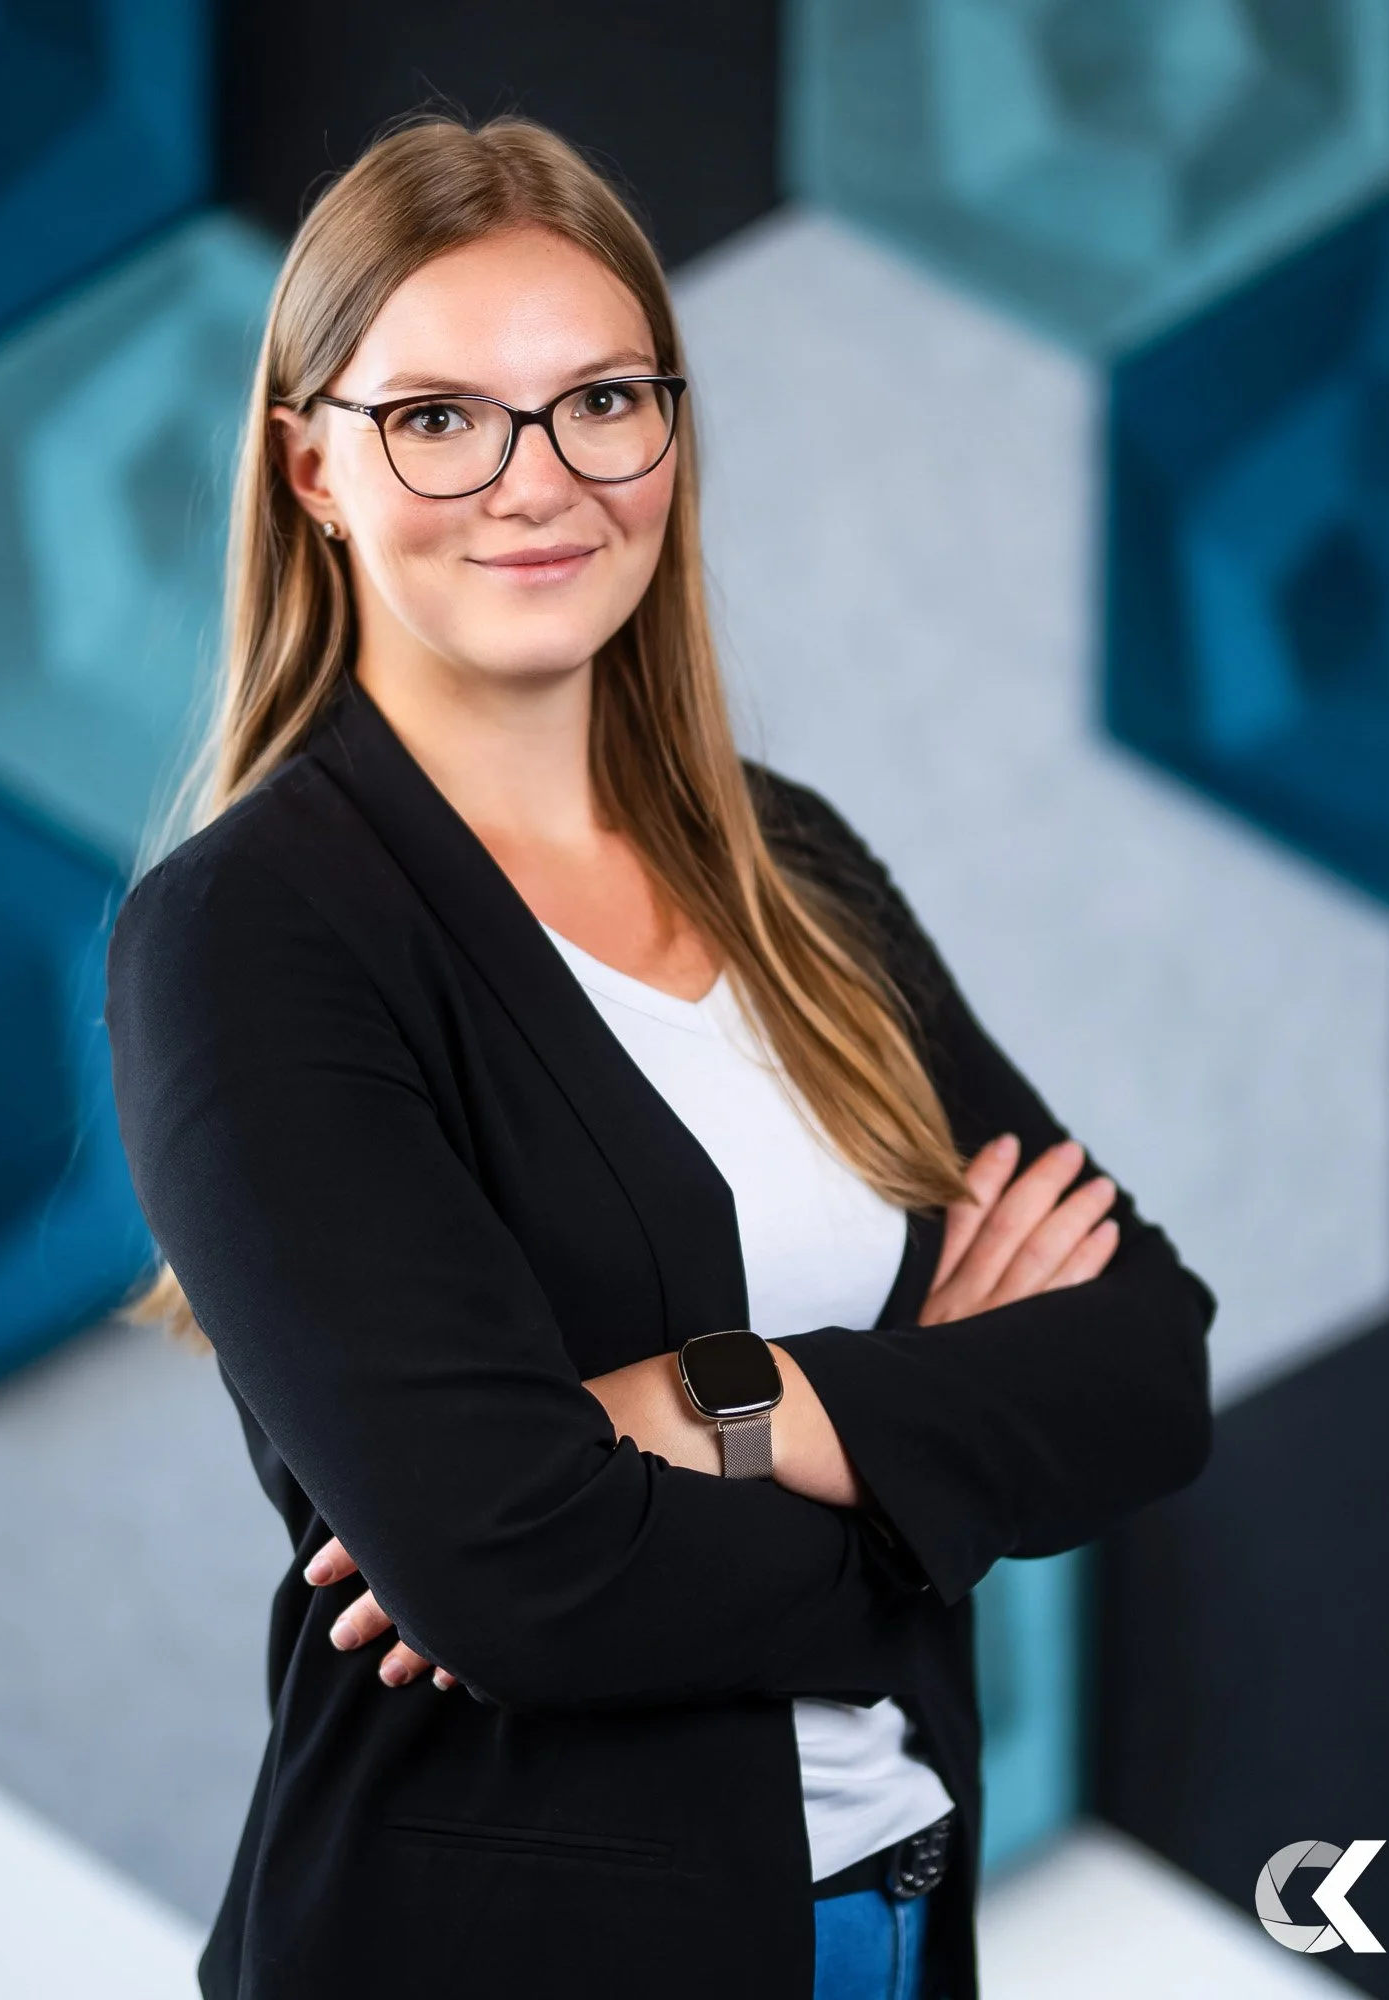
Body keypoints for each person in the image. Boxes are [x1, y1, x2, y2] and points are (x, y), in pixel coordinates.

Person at [103, 112, 1216, 2000]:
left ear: (670, 435)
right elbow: (514, 1572)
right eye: (439, 417)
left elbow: (1146, 1362)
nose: (537, 481)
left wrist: (748, 1399)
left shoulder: (786, 862)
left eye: (600, 399)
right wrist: (938, 1463)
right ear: (310, 467)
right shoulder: (258, 930)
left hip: (880, 1929)